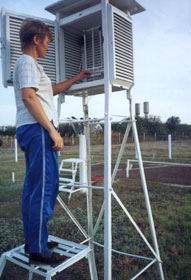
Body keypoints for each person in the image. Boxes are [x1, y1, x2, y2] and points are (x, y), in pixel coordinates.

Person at [13, 18, 90, 265]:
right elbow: (28, 97)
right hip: (38, 130)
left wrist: (76, 78)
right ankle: (36, 249)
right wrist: (52, 131)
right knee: (45, 189)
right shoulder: (26, 62)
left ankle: (36, 240)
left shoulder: (33, 67)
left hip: (33, 129)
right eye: (47, 42)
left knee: (34, 189)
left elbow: (51, 90)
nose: (48, 48)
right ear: (36, 40)